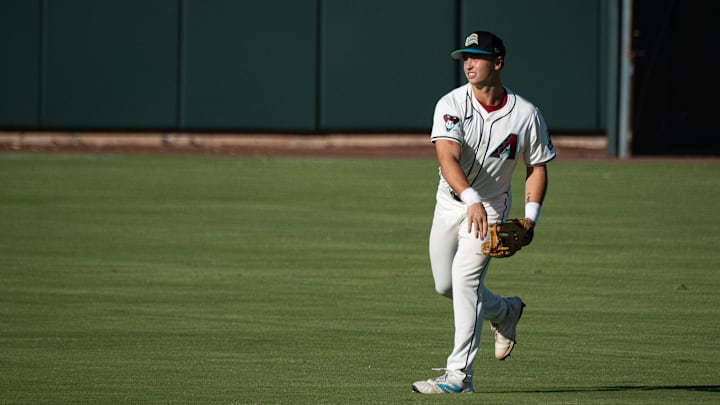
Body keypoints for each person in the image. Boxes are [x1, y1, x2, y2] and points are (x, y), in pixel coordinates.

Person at [412, 30, 556, 394]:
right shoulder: (451, 104)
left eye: (476, 57)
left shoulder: (525, 114)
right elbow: (447, 158)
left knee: (464, 281)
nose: (469, 64)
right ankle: (505, 311)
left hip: (491, 208)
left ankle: (459, 376)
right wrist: (470, 197)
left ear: (498, 62)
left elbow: (536, 166)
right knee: (445, 284)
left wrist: (531, 218)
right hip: (452, 202)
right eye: (465, 57)